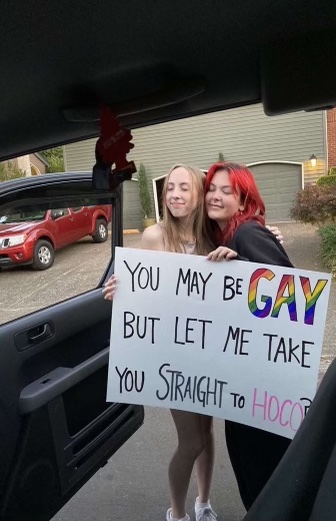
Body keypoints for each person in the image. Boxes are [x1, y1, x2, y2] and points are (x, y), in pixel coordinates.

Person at [103, 163, 284, 520]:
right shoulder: (155, 236)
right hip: (173, 356)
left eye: (184, 188)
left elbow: (245, 265)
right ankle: (177, 512)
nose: (175, 194)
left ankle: (204, 502)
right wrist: (120, 290)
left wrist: (267, 237)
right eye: (170, 188)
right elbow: (143, 286)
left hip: (208, 354)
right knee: (192, 441)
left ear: (198, 195)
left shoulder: (213, 236)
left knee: (208, 433)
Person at [203, 161, 294, 511]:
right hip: (246, 382)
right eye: (212, 188)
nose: (215, 195)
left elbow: (290, 298)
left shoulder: (246, 235)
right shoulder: (228, 237)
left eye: (227, 191)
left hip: (264, 388)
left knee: (264, 478)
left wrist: (242, 264)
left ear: (243, 202)